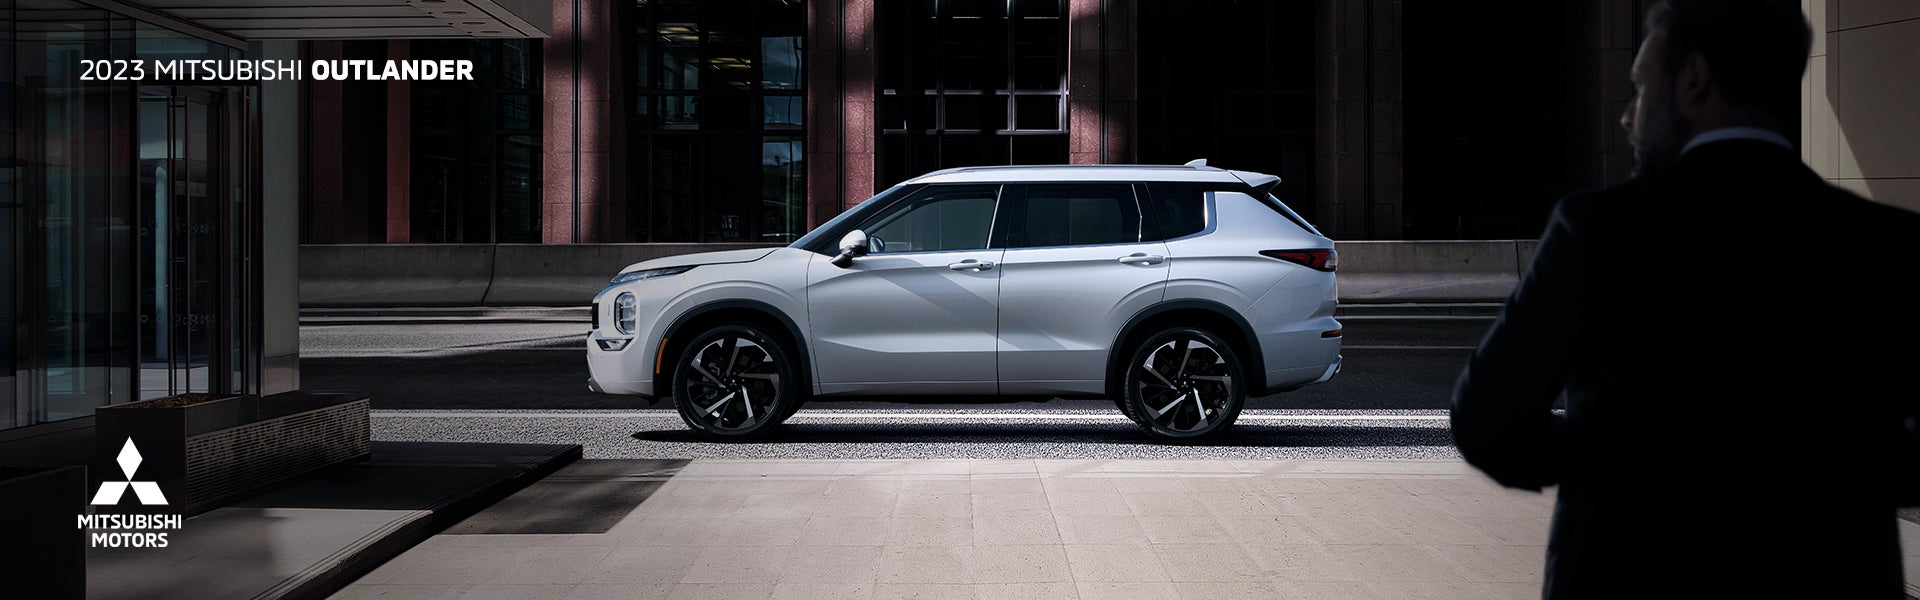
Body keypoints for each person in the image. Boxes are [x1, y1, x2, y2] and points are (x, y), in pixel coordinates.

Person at [1450, 0, 1920, 597]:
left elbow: (1485, 418)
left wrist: (1611, 460)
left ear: (1694, 80)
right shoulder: (1891, 245)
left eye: (1641, 88)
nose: (1627, 115)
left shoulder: (1596, 231)